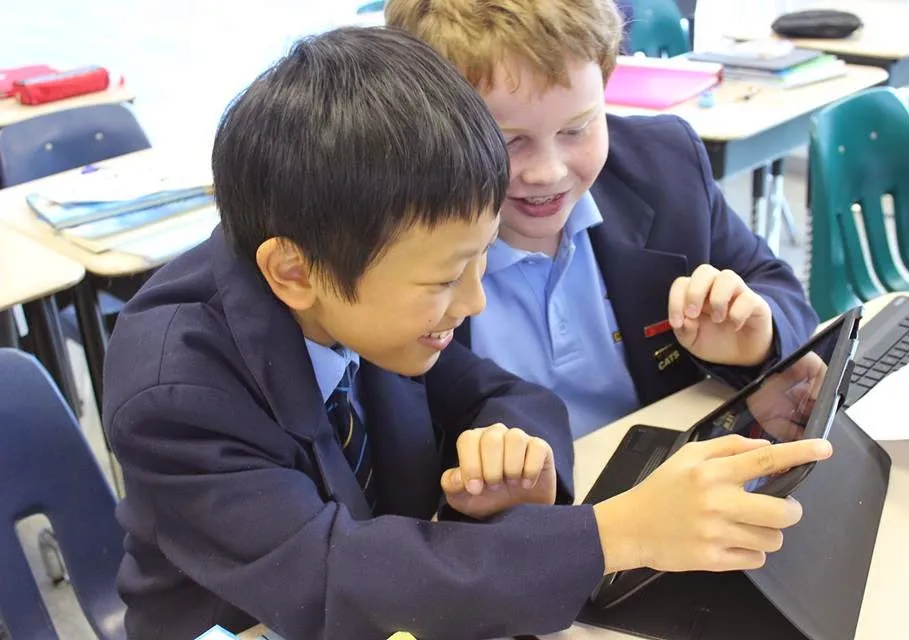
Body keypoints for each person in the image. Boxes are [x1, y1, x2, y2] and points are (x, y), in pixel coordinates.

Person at [103, 27, 832, 640]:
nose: (475, 300)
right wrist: (614, 534)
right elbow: (330, 580)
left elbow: (506, 394)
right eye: (448, 279)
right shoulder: (175, 393)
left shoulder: (363, 277)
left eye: (481, 260)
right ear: (293, 272)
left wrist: (508, 453)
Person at [385, 0, 821, 438]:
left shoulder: (665, 166)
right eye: (508, 142)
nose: (548, 172)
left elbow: (772, 283)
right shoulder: (386, 233)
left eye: (577, 129)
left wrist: (756, 339)